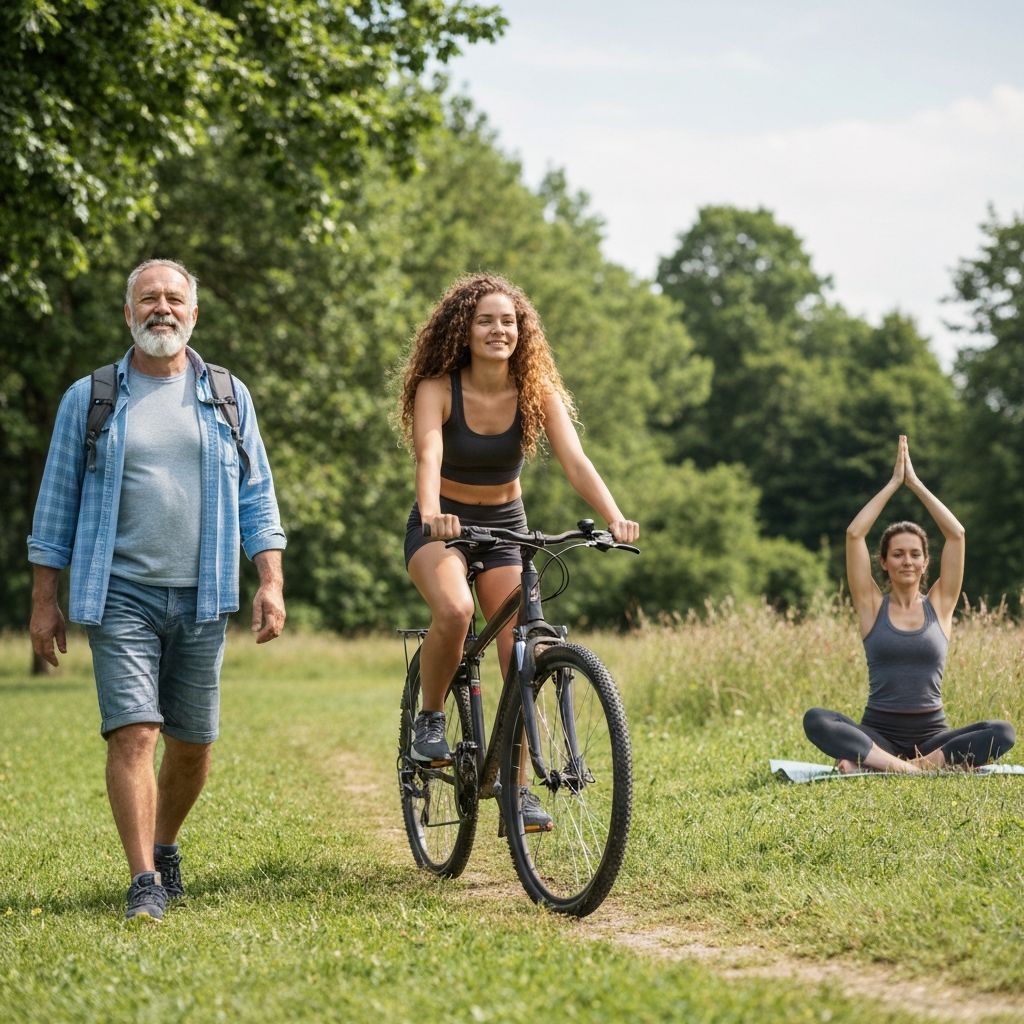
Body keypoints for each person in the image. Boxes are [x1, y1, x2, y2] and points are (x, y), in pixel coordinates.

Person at [28, 258, 287, 921]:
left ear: (193, 314)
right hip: (119, 593)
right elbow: (56, 503)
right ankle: (143, 879)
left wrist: (271, 580)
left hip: (205, 593)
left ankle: (164, 845)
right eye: (148, 299)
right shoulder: (90, 397)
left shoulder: (228, 394)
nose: (161, 308)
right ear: (128, 313)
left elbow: (257, 496)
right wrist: (44, 600)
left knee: (193, 746)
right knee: (135, 734)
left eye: (174, 298)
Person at [397, 274, 639, 829]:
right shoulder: (438, 388)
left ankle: (517, 787)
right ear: (463, 329)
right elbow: (429, 457)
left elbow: (576, 461)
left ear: (521, 330)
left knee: (521, 653)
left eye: (508, 321)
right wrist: (432, 514)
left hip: (507, 525)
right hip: (443, 525)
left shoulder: (536, 391)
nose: (498, 330)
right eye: (485, 320)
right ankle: (430, 718)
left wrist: (614, 516)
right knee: (455, 610)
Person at [804, 435, 1014, 774]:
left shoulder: (940, 605)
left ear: (926, 562)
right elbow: (854, 534)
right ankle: (908, 766)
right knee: (816, 719)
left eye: (915, 554)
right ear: (884, 562)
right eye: (898, 554)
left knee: (1002, 732)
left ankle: (890, 765)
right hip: (878, 733)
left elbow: (957, 535)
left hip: (932, 736)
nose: (907, 561)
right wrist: (892, 484)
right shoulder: (871, 605)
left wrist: (915, 484)